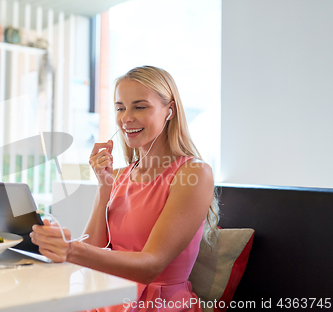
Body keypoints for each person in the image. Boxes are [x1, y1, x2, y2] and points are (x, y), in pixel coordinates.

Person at [30, 66, 219, 311]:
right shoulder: (119, 175)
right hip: (109, 300)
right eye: (120, 108)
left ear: (169, 110)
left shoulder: (194, 173)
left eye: (139, 107)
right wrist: (104, 188)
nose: (126, 118)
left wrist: (71, 250)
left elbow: (151, 265)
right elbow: (95, 253)